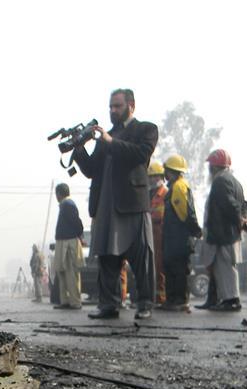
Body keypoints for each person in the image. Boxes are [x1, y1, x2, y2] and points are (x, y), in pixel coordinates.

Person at [72, 88, 158, 320]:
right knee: (108, 259)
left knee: (141, 259)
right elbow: (91, 170)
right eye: (110, 106)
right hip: (106, 206)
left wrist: (110, 141)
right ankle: (109, 305)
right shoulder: (105, 138)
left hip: (133, 205)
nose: (112, 110)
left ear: (131, 105)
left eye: (117, 106)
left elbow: (141, 155)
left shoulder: (145, 129)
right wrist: (79, 150)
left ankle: (145, 304)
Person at [201, 149, 247, 311]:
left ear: (214, 167)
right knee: (226, 267)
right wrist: (243, 219)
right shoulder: (235, 182)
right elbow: (244, 206)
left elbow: (230, 205)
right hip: (230, 233)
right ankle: (227, 299)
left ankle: (231, 300)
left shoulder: (220, 182)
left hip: (224, 234)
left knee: (225, 268)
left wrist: (240, 220)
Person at [158, 155, 201, 311]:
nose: (165, 174)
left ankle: (180, 300)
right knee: (171, 268)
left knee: (178, 270)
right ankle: (172, 300)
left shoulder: (179, 187)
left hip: (179, 238)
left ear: (172, 171)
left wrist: (195, 230)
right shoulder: (176, 186)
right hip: (173, 237)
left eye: (167, 171)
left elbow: (185, 213)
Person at [52, 182, 84, 309]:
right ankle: (65, 301)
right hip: (63, 241)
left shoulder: (68, 204)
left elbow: (77, 224)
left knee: (71, 272)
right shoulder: (64, 205)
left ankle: (75, 301)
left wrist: (77, 236)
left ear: (59, 194)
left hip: (69, 242)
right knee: (62, 272)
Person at [149, 161, 169, 305]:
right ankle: (154, 297)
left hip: (160, 233)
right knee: (152, 267)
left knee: (160, 267)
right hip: (151, 233)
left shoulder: (164, 193)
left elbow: (159, 215)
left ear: (160, 177)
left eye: (154, 177)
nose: (151, 180)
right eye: (150, 177)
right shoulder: (151, 193)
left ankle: (161, 298)